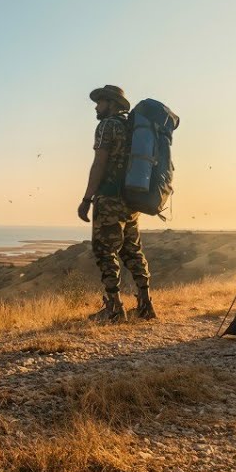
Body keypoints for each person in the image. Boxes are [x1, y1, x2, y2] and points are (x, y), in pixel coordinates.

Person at [78, 85, 154, 322]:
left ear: (112, 103)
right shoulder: (133, 128)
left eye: (100, 102)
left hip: (109, 198)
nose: (96, 106)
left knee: (105, 250)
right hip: (132, 199)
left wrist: (87, 198)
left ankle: (114, 308)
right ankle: (145, 305)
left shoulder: (107, 125)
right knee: (132, 250)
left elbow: (99, 163)